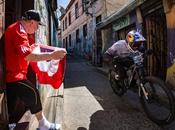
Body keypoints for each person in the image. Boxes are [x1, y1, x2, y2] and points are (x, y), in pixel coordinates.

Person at [4, 9, 67, 130]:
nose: (37, 28)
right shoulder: (18, 30)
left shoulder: (18, 29)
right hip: (15, 76)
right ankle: (43, 125)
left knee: (11, 106)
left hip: (15, 74)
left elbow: (23, 51)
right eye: (37, 25)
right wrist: (52, 56)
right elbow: (29, 56)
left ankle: (10, 125)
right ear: (32, 22)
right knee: (34, 94)